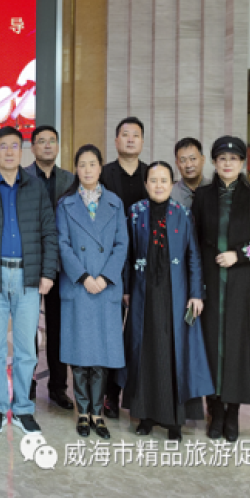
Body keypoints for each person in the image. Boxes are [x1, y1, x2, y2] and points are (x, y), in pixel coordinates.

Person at [0, 126, 59, 436]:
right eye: (3, 147)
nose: (9, 152)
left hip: (27, 276)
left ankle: (23, 408)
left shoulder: (36, 188)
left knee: (26, 350)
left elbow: (49, 233)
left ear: (21, 151)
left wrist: (47, 273)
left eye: (14, 146)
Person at [119, 162, 213, 441]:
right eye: (153, 180)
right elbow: (127, 254)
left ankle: (175, 421)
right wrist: (126, 288)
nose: (158, 185)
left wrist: (196, 293)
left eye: (164, 180)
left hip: (177, 294)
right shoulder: (135, 212)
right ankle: (145, 416)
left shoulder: (183, 213)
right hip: (143, 294)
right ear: (146, 184)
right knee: (144, 353)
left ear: (172, 184)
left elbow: (193, 255)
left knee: (175, 354)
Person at [192, 136, 250, 442]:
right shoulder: (202, 196)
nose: (227, 163)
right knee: (211, 346)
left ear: (241, 163)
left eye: (233, 158)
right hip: (210, 283)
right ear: (214, 162)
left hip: (242, 285)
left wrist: (238, 255)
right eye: (222, 158)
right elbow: (193, 241)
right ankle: (214, 410)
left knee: (237, 348)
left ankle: (233, 414)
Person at [56, 144, 128, 440]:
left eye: (92, 164)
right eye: (82, 164)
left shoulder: (115, 203)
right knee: (80, 356)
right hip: (79, 286)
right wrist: (84, 276)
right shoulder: (65, 204)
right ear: (76, 169)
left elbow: (122, 244)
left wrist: (106, 277)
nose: (87, 169)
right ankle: (83, 412)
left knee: (101, 357)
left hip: (105, 288)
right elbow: (62, 245)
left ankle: (98, 413)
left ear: (100, 168)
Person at [98, 116, 147, 418]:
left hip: (145, 263)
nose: (130, 139)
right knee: (111, 331)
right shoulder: (103, 175)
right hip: (110, 263)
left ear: (142, 141)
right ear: (115, 140)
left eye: (135, 135)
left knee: (141, 333)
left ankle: (140, 394)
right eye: (125, 135)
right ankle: (109, 395)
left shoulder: (151, 175)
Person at [24, 124, 76, 410]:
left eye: (51, 141)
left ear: (57, 146)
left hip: (61, 266)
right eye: (41, 141)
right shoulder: (21, 177)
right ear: (32, 147)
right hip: (29, 264)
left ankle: (58, 387)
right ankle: (27, 384)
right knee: (27, 328)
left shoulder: (70, 180)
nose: (46, 146)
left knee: (58, 328)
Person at [171, 137, 211, 210]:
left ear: (203, 160)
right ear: (177, 164)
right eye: (183, 160)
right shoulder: (170, 194)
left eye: (193, 159)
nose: (188, 165)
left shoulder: (214, 188)